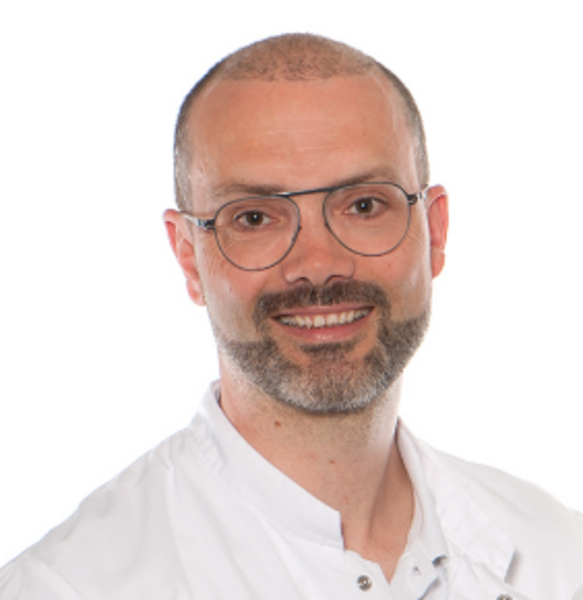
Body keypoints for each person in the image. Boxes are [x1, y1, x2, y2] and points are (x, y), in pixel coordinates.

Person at [1, 33, 582, 600]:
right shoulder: (69, 586)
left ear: (433, 231)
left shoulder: (559, 557)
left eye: (363, 205)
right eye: (255, 218)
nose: (318, 264)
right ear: (188, 257)